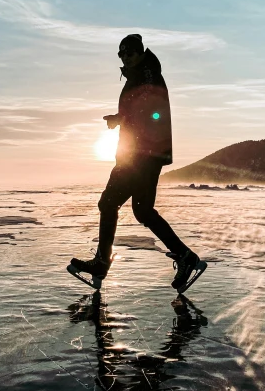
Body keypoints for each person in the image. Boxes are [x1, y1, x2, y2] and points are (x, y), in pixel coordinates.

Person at [67, 33, 206, 292]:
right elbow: (144, 110)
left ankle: (101, 263)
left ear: (140, 52)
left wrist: (126, 124)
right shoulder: (141, 75)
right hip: (144, 153)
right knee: (142, 211)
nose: (125, 57)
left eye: (129, 52)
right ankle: (185, 257)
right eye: (121, 54)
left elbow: (152, 110)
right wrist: (121, 118)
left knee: (108, 203)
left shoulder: (148, 74)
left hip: (141, 154)